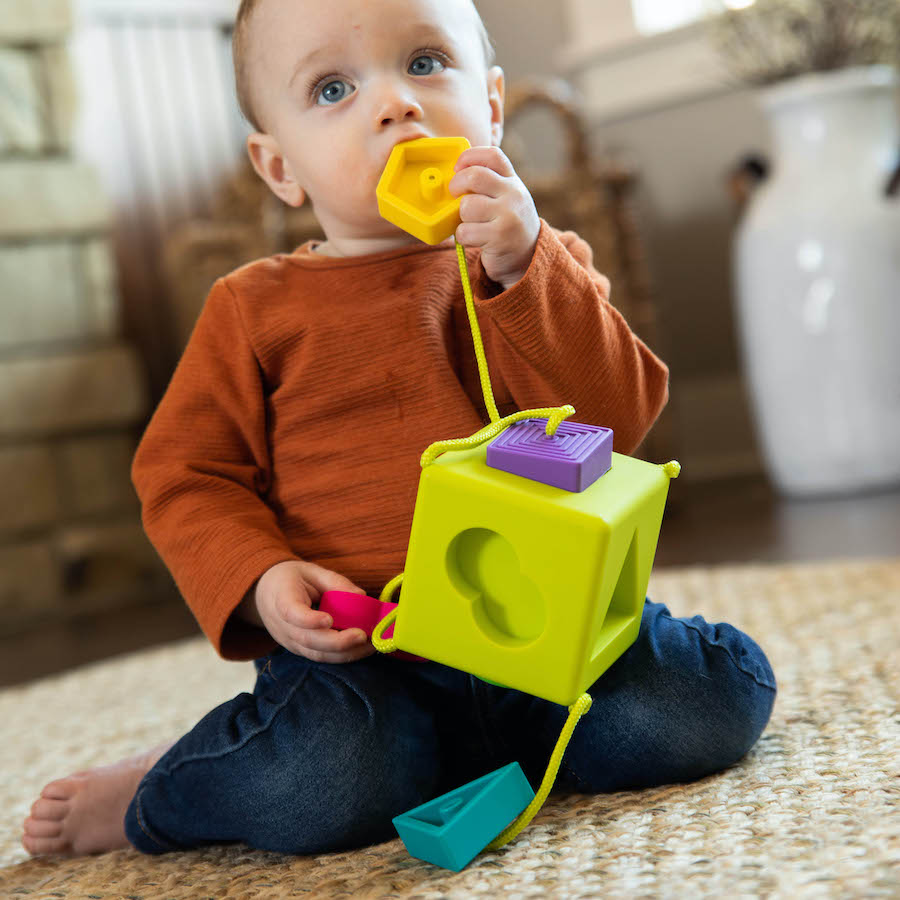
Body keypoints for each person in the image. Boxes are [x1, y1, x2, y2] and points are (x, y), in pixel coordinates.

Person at [21, 0, 776, 857]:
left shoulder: (537, 262)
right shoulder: (251, 308)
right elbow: (186, 475)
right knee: (328, 781)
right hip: (363, 666)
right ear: (280, 169)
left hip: (546, 639)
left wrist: (527, 266)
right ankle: (158, 792)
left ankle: (480, 756)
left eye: (425, 63)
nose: (396, 104)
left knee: (706, 705)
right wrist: (262, 577)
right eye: (334, 87)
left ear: (491, 107)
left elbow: (620, 419)